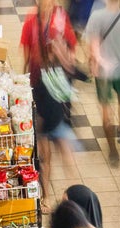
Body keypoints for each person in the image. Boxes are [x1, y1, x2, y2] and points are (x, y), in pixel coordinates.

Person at [22, 0, 80, 194]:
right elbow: (26, 55)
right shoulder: (31, 20)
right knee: (45, 152)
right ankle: (46, 195)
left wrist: (62, 54)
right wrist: (23, 83)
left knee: (62, 145)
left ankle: (71, 192)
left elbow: (71, 53)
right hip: (39, 89)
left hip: (55, 93)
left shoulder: (60, 18)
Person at [87, 0, 120, 161]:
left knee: (106, 109)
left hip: (103, 71)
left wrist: (92, 62)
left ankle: (112, 149)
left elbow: (92, 45)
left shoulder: (96, 17)